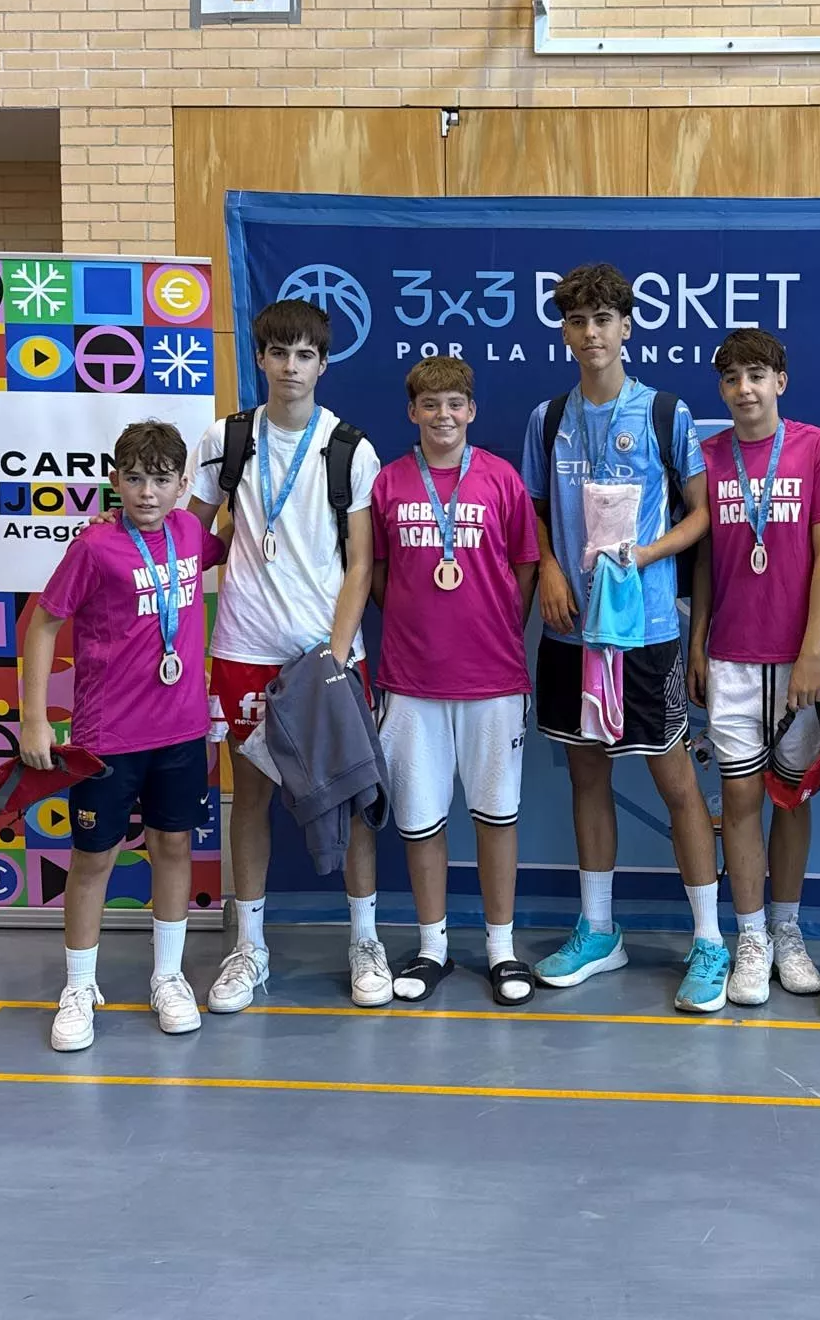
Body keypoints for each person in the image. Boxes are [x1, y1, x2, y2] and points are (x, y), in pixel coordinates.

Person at [519, 262, 726, 1012]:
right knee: (585, 778)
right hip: (574, 631)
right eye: (577, 322)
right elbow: (535, 514)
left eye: (603, 320)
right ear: (565, 332)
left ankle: (709, 940)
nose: (590, 333)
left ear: (626, 327)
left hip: (645, 630)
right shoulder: (546, 419)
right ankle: (600, 932)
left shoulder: (665, 411)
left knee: (675, 783)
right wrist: (546, 566)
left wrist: (646, 555)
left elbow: (702, 516)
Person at [188, 300, 385, 1011]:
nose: (292, 367)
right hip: (243, 647)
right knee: (252, 799)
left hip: (325, 654)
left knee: (353, 799)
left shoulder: (350, 449)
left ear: (323, 364)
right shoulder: (224, 437)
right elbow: (191, 534)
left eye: (306, 355)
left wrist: (335, 655)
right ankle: (250, 949)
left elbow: (361, 562)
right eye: (280, 353)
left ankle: (365, 940)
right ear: (262, 360)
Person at [22, 420, 231, 1052]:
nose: (147, 493)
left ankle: (168, 977)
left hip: (181, 734)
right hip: (106, 737)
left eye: (161, 480)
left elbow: (242, 535)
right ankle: (78, 987)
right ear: (115, 481)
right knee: (94, 860)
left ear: (182, 485)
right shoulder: (94, 547)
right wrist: (34, 717)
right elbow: (42, 624)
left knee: (173, 849)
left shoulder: (193, 533)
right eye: (134, 479)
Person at [370, 356, 542, 1006]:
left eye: (455, 404)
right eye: (430, 405)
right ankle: (433, 945)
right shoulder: (388, 484)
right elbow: (378, 575)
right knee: (421, 819)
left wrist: (495, 627)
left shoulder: (501, 481)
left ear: (472, 410)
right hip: (411, 681)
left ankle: (501, 948)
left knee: (497, 815)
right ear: (412, 412)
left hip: (494, 678)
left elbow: (524, 566)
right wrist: (420, 625)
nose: (443, 416)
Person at [686, 330, 820, 1008]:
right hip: (730, 656)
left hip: (799, 660)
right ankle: (749, 937)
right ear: (721, 389)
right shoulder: (707, 457)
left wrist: (811, 652)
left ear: (781, 378)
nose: (744, 389)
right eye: (731, 379)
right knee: (743, 800)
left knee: (794, 798)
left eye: (756, 375)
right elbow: (703, 561)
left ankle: (786, 929)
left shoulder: (816, 448)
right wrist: (698, 643)